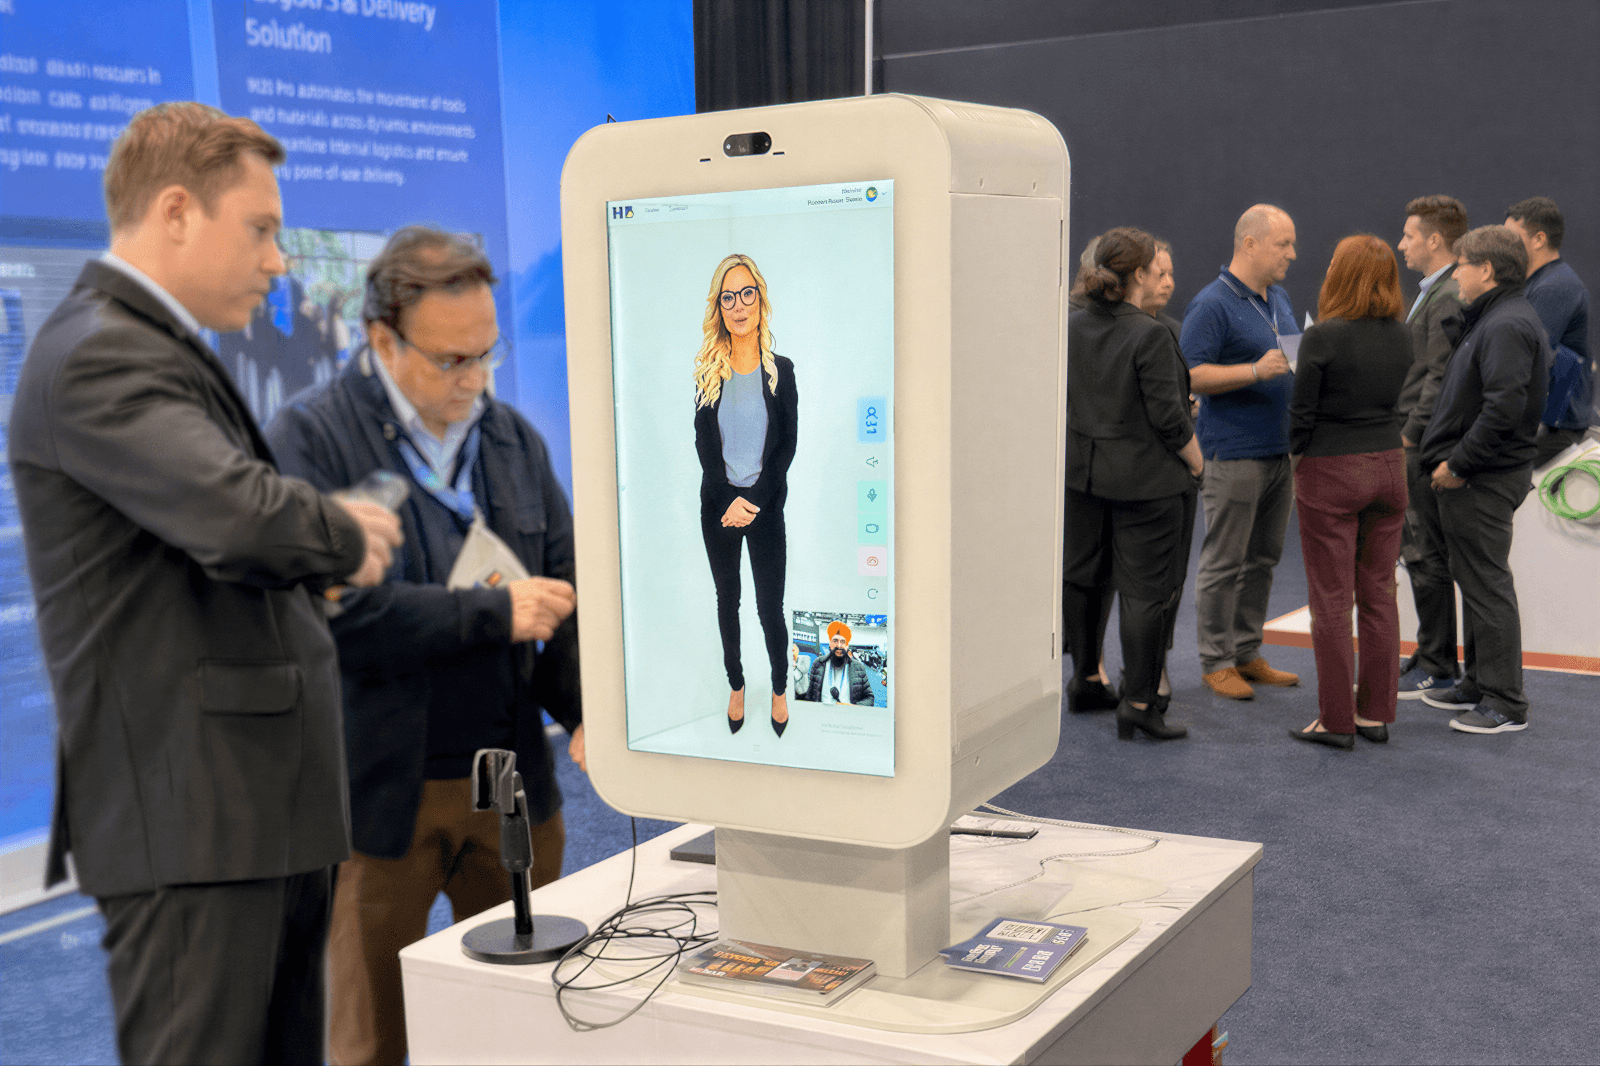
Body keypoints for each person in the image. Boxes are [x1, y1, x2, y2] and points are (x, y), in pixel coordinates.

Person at [6, 102, 402, 1066]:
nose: (277, 261)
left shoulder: (147, 347)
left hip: (247, 821)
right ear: (176, 212)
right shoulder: (102, 353)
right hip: (196, 831)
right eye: (261, 229)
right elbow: (235, 515)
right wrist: (344, 533)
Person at [265, 226, 582, 1065]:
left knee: (523, 1027)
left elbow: (563, 588)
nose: (476, 381)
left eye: (488, 355)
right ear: (381, 340)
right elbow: (334, 616)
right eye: (452, 362)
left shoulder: (512, 441)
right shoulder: (312, 440)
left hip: (512, 787)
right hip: (378, 800)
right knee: (373, 1040)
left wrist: (588, 712)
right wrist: (490, 616)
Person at [1064, 227, 1203, 741]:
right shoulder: (1152, 333)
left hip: (1082, 476)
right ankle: (1140, 703)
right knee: (1146, 592)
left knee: (1084, 577)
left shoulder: (1071, 325)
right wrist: (1198, 461)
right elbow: (1170, 419)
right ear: (1140, 274)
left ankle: (1085, 679)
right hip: (1147, 484)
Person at [1416, 225, 1548, 734]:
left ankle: (1505, 701)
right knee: (1474, 579)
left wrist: (1458, 464)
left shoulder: (1506, 324)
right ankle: (1478, 681)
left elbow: (1504, 407)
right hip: (1481, 474)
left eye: (1463, 264)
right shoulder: (1497, 317)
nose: (1456, 274)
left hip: (1483, 478)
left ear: (1487, 270)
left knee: (1487, 584)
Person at [1287, 236, 1413, 750]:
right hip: (1389, 466)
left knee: (1331, 601)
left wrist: (1298, 458)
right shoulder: (1403, 336)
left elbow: (1301, 414)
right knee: (1380, 593)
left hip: (1332, 469)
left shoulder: (1324, 337)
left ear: (1341, 274)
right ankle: (1375, 714)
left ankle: (1335, 719)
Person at [1180, 204, 1302, 700]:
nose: (1293, 254)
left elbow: (1289, 356)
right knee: (1225, 561)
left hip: (1280, 452)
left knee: (1264, 559)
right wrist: (1254, 371)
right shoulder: (1211, 304)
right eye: (1283, 244)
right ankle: (1215, 660)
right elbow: (1189, 375)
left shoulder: (1280, 298)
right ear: (1249, 244)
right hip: (1233, 453)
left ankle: (1247, 651)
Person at [694, 254, 799, 737]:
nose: (739, 306)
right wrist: (728, 501)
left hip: (765, 506)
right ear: (719, 307)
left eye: (747, 293)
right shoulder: (707, 373)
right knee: (727, 600)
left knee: (768, 606)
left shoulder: (783, 370)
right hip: (718, 508)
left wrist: (753, 500)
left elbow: (786, 446)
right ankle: (736, 684)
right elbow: (704, 448)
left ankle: (779, 687)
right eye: (728, 297)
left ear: (760, 297)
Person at [1394, 196, 1468, 700]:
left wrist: (1409, 435)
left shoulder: (1445, 296)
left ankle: (1439, 663)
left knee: (1424, 553)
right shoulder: (1432, 291)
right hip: (1415, 438)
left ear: (1434, 240)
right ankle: (1430, 650)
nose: (1401, 243)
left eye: (1409, 235)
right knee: (1419, 552)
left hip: (1418, 443)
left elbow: (1438, 379)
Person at [1503, 197, 1593, 467]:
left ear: (1539, 238)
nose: (1503, 247)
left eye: (1510, 238)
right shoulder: (1540, 282)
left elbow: (1527, 357)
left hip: (1553, 428)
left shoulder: (1555, 287)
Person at [800, 621, 873, 704]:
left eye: (843, 642)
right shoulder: (818, 663)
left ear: (847, 646)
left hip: (848, 715)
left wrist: (854, 707)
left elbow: (869, 698)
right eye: (835, 641)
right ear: (829, 644)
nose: (839, 645)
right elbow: (809, 694)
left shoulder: (858, 668)